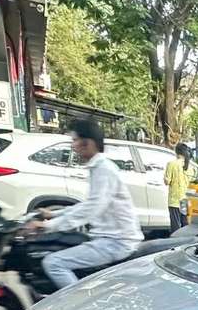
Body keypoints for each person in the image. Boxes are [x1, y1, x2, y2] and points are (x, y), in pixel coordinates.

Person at [29, 119, 143, 290]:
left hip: (116, 242)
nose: (73, 145)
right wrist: (53, 214)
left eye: (75, 140)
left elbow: (92, 209)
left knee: (53, 263)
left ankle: (78, 304)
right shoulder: (98, 167)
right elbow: (89, 204)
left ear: (88, 143)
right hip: (108, 238)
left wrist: (47, 226)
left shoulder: (104, 169)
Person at [163, 143, 192, 231]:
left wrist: (164, 177)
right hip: (186, 201)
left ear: (176, 152)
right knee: (186, 226)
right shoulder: (190, 166)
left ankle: (176, 240)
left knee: (175, 227)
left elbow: (167, 181)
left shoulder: (171, 164)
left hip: (174, 201)